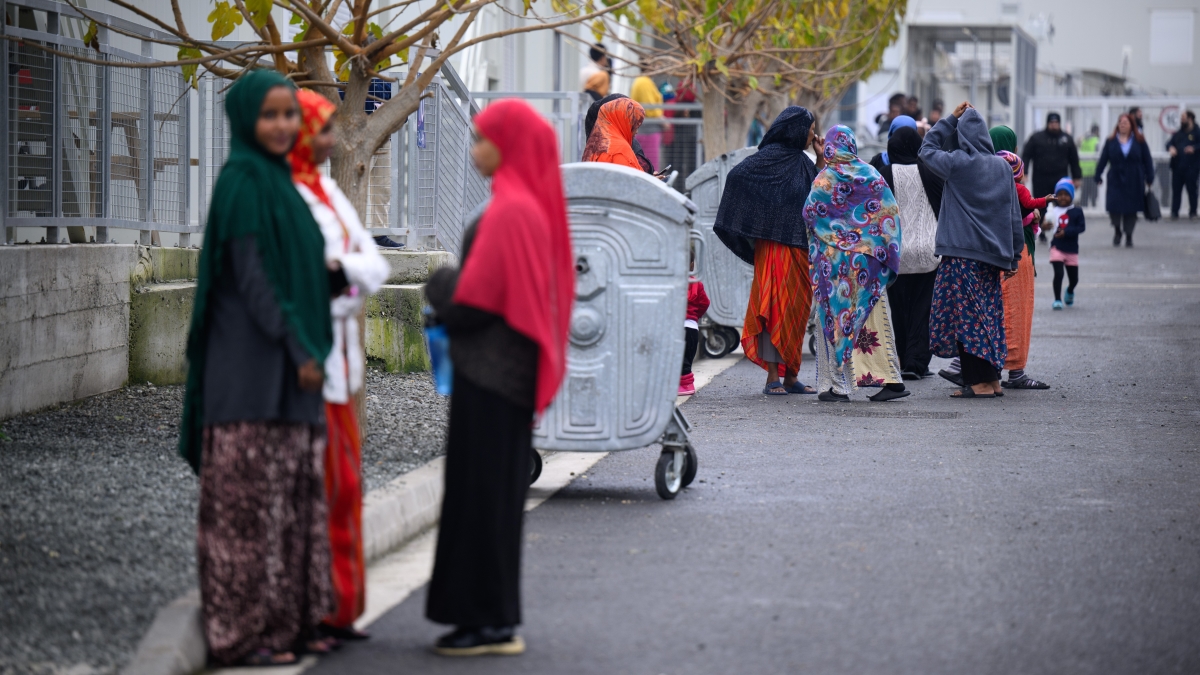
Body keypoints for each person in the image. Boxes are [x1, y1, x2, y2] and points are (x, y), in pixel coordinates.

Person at [179, 70, 334, 667]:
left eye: (289, 114)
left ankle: (288, 624)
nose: (281, 126)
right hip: (251, 375)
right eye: (270, 115)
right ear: (247, 118)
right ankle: (241, 633)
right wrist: (300, 349)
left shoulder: (281, 182)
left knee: (291, 510)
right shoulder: (242, 181)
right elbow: (253, 277)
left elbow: (299, 270)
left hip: (293, 375)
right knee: (245, 518)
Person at [422, 99, 573, 656]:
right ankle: (492, 617)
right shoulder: (527, 204)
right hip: (509, 377)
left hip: (490, 376)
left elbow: (471, 303)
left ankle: (486, 623)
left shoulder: (509, 210)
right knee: (492, 498)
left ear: (506, 145)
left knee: (481, 498)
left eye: (482, 138)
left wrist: (438, 283)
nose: (474, 147)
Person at [290, 89, 390, 641]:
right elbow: (306, 276)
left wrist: (339, 270)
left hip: (342, 367)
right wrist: (342, 274)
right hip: (309, 366)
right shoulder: (286, 196)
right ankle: (314, 608)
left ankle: (340, 606)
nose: (331, 139)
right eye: (322, 128)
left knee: (345, 487)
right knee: (315, 492)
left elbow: (373, 267)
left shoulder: (327, 190)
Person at [712, 107, 822, 395]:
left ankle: (791, 376)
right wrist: (756, 225)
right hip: (773, 249)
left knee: (796, 313)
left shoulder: (804, 163)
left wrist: (822, 160)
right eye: (810, 128)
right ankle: (773, 377)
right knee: (772, 309)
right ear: (796, 129)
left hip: (801, 250)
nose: (813, 134)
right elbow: (736, 178)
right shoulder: (762, 162)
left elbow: (821, 195)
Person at [919, 102, 1023, 399]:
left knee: (967, 320)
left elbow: (926, 150)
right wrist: (1014, 253)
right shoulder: (1003, 168)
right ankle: (992, 381)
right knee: (987, 316)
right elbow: (1012, 212)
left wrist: (950, 119)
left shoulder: (957, 163)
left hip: (961, 255)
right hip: (992, 257)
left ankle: (977, 384)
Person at [806, 125, 909, 403]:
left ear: (828, 147)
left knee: (834, 320)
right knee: (874, 319)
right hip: (869, 268)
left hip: (836, 269)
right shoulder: (870, 175)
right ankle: (892, 380)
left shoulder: (825, 180)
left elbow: (810, 214)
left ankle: (839, 387)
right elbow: (889, 214)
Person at [878, 126, 943, 380]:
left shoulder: (883, 174)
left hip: (897, 253)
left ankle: (903, 358)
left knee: (900, 308)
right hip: (929, 251)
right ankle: (917, 362)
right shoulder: (931, 170)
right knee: (923, 309)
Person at [996, 148, 1053, 390]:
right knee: (1015, 311)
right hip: (1014, 254)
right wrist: (1035, 213)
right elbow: (1024, 209)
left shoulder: (984, 181)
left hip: (990, 253)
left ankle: (982, 370)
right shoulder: (1015, 188)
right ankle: (1015, 371)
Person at [1095, 113, 1155, 247]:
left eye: (1125, 122)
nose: (1122, 124)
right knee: (1114, 206)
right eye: (1120, 122)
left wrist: (1150, 176)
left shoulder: (1139, 140)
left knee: (1131, 209)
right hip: (1116, 177)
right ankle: (1117, 231)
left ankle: (1129, 235)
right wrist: (1098, 175)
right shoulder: (1111, 141)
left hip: (1134, 178)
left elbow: (1147, 159)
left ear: (1131, 125)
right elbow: (1104, 159)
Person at [1021, 112, 1083, 207]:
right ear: (1048, 123)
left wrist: (1077, 177)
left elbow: (1074, 159)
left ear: (1059, 123)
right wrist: (1024, 173)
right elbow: (1026, 155)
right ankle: (1041, 222)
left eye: (1056, 123)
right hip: (1040, 179)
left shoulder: (1066, 138)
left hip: (1060, 178)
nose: (1054, 125)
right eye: (1051, 123)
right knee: (1041, 204)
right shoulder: (1037, 138)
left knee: (1061, 204)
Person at [584, 94, 654, 173]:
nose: (636, 131)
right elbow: (630, 182)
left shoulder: (594, 144)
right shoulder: (620, 151)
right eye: (634, 126)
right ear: (623, 122)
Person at [1046, 178, 1086, 310]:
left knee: (1074, 279)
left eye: (1066, 194)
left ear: (1072, 196)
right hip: (1056, 247)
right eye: (1060, 194)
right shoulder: (1052, 211)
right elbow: (1044, 226)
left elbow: (1081, 228)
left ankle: (1069, 290)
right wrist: (1044, 226)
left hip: (1071, 249)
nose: (1063, 197)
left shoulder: (1077, 211)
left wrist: (1066, 232)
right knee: (1059, 274)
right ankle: (1057, 299)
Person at [679, 252, 710, 396]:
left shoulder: (670, 284)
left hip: (674, 327)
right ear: (692, 265)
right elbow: (705, 303)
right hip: (691, 327)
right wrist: (694, 316)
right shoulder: (697, 283)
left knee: (676, 357)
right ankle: (687, 385)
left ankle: (682, 387)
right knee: (687, 358)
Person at [630, 63, 664, 169]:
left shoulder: (640, 81)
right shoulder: (645, 82)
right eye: (656, 65)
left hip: (643, 128)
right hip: (648, 129)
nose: (659, 68)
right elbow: (650, 107)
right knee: (651, 165)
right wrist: (663, 120)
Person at [1167, 110, 1199, 220]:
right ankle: (1174, 213)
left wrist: (1194, 148)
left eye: (1183, 118)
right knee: (1176, 191)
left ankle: (1193, 212)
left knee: (1192, 191)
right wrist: (1171, 148)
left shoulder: (1197, 132)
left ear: (1190, 119)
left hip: (1192, 168)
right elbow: (1169, 143)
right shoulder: (1179, 133)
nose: (1181, 120)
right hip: (1177, 167)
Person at [1078, 124, 1101, 209]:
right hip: (1092, 170)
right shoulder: (1096, 140)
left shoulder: (1083, 140)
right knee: (1093, 192)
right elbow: (1099, 156)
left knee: (1084, 192)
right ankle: (1094, 208)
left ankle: (1084, 207)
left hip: (1083, 170)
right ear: (1096, 131)